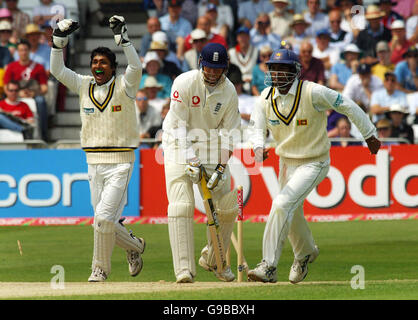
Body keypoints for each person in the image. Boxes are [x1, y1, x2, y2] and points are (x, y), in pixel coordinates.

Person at [247, 48, 381, 284]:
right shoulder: (265, 98)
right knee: (291, 212)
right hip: (286, 163)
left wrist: (369, 133)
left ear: (294, 72)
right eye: (274, 69)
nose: (277, 74)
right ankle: (305, 253)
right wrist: (258, 148)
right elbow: (256, 128)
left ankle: (268, 265)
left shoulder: (312, 92)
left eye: (283, 69)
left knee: (280, 204)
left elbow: (346, 104)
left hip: (314, 161)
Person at [50, 17, 146, 282]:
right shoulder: (83, 85)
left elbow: (136, 67)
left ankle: (99, 269)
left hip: (121, 162)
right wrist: (58, 40)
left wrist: (123, 40)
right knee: (104, 222)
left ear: (113, 68)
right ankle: (136, 246)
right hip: (93, 163)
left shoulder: (125, 87)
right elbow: (57, 70)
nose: (97, 66)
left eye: (103, 62)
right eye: (94, 62)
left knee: (102, 218)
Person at [162, 42, 241, 283]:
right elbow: (178, 126)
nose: (213, 73)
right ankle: (184, 270)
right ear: (200, 65)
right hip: (177, 143)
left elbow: (231, 133)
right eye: (209, 68)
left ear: (225, 68)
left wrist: (220, 167)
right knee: (181, 205)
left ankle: (214, 259)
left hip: (210, 145)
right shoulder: (184, 83)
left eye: (218, 69)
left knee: (226, 206)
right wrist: (191, 160)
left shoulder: (229, 92)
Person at [4, 39, 49, 141]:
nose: (23, 52)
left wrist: (33, 93)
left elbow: (44, 88)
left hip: (34, 94)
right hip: (15, 93)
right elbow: (6, 86)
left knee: (41, 101)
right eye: (21, 50)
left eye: (25, 50)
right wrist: (16, 93)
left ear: (29, 51)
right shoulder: (11, 67)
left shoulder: (38, 67)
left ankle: (43, 134)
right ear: (17, 52)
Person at [228, 26, 259, 94]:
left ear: (249, 37)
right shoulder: (231, 52)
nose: (243, 39)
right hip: (237, 84)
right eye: (240, 36)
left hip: (252, 83)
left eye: (245, 36)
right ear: (237, 38)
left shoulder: (256, 51)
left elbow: (258, 68)